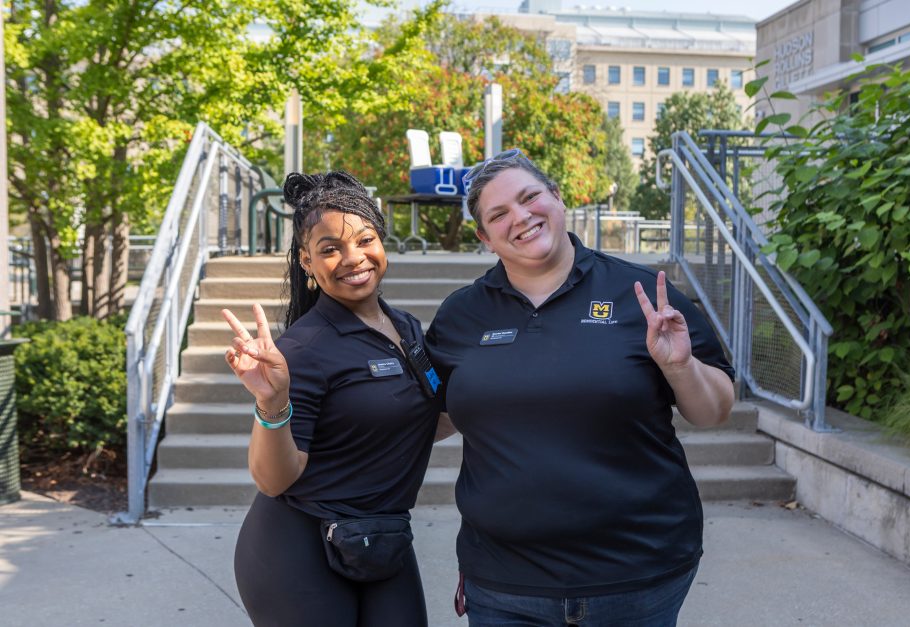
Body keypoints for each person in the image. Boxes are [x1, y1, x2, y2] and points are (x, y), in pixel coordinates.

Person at [425, 149, 735, 627]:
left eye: (530, 197)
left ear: (557, 197)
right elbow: (435, 416)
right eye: (499, 214)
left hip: (637, 577)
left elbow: (714, 411)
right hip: (505, 584)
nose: (522, 217)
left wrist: (680, 367)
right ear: (484, 237)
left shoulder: (642, 295)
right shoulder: (461, 315)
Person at [224, 171, 447, 627]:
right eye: (330, 249)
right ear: (307, 262)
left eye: (364, 239)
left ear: (382, 241)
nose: (353, 258)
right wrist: (273, 404)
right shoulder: (305, 349)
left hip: (380, 533)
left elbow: (425, 418)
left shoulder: (405, 327)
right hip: (299, 546)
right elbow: (274, 479)